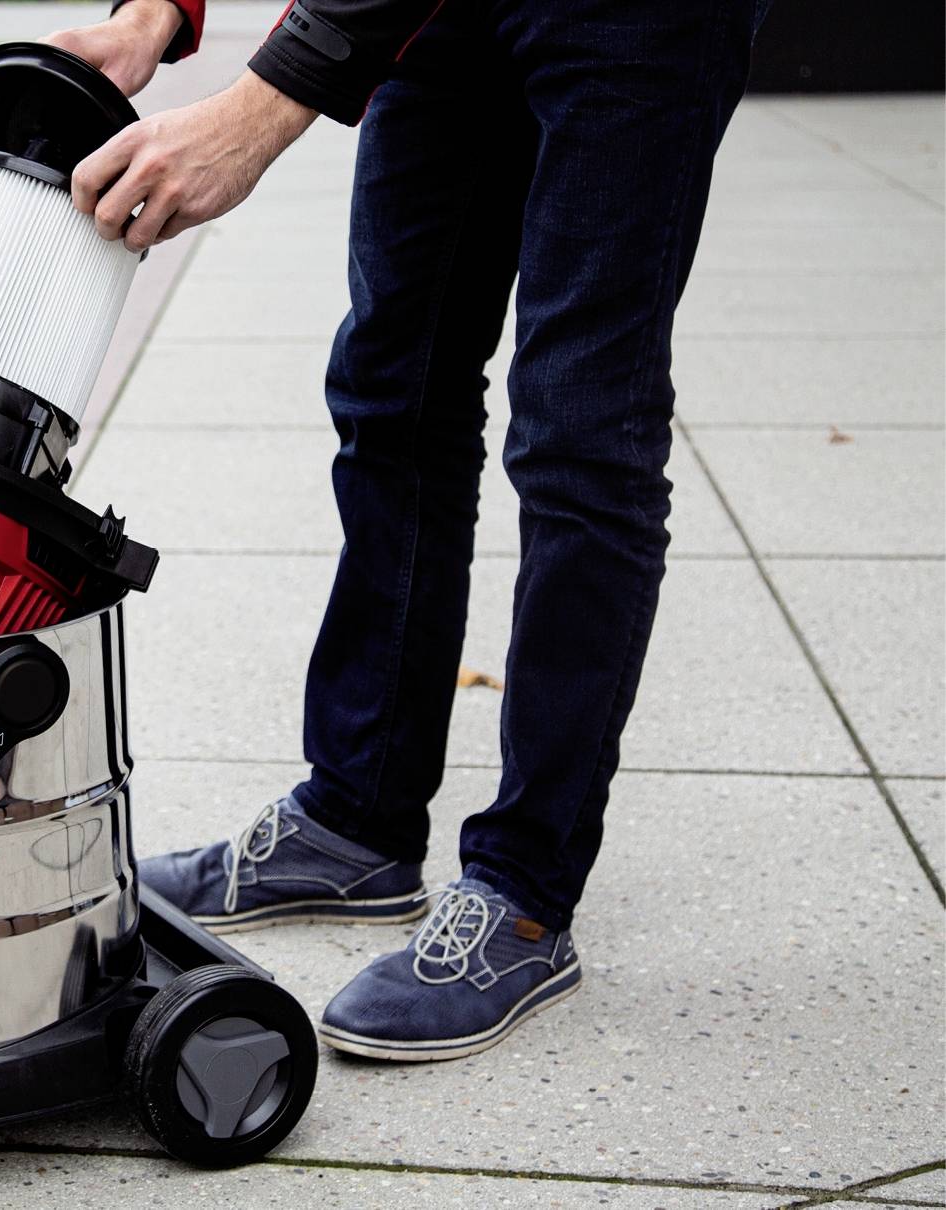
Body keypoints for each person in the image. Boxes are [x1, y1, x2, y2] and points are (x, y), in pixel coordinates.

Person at [45, 0, 766, 1061]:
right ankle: (355, 822)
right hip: (442, 19)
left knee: (580, 427)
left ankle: (524, 892)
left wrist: (264, 103)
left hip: (636, 23)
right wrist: (158, 10)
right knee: (394, 392)